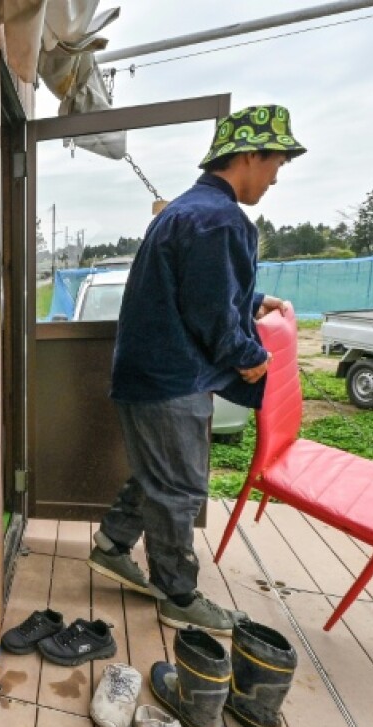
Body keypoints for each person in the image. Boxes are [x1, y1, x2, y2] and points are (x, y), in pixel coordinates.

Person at [85, 105, 306, 636]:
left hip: (144, 373)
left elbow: (199, 285)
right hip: (171, 379)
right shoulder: (220, 218)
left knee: (159, 472)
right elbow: (209, 308)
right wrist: (249, 356)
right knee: (180, 488)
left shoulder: (186, 210)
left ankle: (112, 545)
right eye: (275, 163)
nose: (275, 178)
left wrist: (252, 300)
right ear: (249, 156)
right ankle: (178, 594)